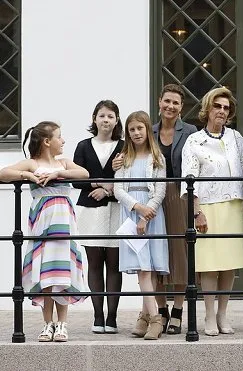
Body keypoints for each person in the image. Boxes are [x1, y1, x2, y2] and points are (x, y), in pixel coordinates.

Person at [0, 121, 89, 342]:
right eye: (60, 137)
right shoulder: (32, 164)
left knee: (62, 272)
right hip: (43, 227)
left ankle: (62, 324)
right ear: (48, 141)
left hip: (64, 227)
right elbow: (4, 173)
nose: (64, 141)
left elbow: (84, 173)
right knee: (46, 273)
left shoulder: (63, 163)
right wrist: (28, 176)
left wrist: (58, 174)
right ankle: (47, 323)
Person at [181, 87, 243, 336]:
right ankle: (209, 314)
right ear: (207, 109)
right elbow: (188, 178)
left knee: (229, 264)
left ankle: (223, 313)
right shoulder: (194, 140)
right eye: (217, 106)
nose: (222, 111)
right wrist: (196, 212)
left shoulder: (236, 137)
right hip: (207, 208)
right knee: (209, 264)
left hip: (233, 205)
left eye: (226, 107)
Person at [114, 111, 169, 340]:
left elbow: (160, 191)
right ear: (127, 133)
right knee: (142, 268)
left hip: (152, 216)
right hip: (131, 214)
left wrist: (147, 216)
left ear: (148, 130)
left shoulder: (157, 158)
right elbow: (118, 190)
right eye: (132, 129)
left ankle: (148, 317)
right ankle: (153, 318)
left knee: (150, 269)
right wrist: (137, 209)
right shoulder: (124, 159)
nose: (136, 133)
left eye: (140, 128)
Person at [73, 100, 124, 334]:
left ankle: (112, 318)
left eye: (110, 116)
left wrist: (108, 189)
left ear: (116, 120)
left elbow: (129, 175)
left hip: (116, 209)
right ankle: (98, 317)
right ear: (94, 119)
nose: (106, 120)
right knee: (94, 263)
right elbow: (75, 178)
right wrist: (96, 182)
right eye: (102, 115)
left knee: (114, 263)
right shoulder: (83, 146)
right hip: (90, 211)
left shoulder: (124, 146)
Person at [152, 84, 197, 334]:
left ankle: (178, 310)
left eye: (176, 103)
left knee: (179, 253)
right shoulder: (149, 131)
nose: (170, 106)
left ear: (181, 107)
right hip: (153, 198)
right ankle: (161, 310)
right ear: (160, 102)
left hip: (179, 196)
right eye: (167, 101)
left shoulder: (190, 131)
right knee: (156, 252)